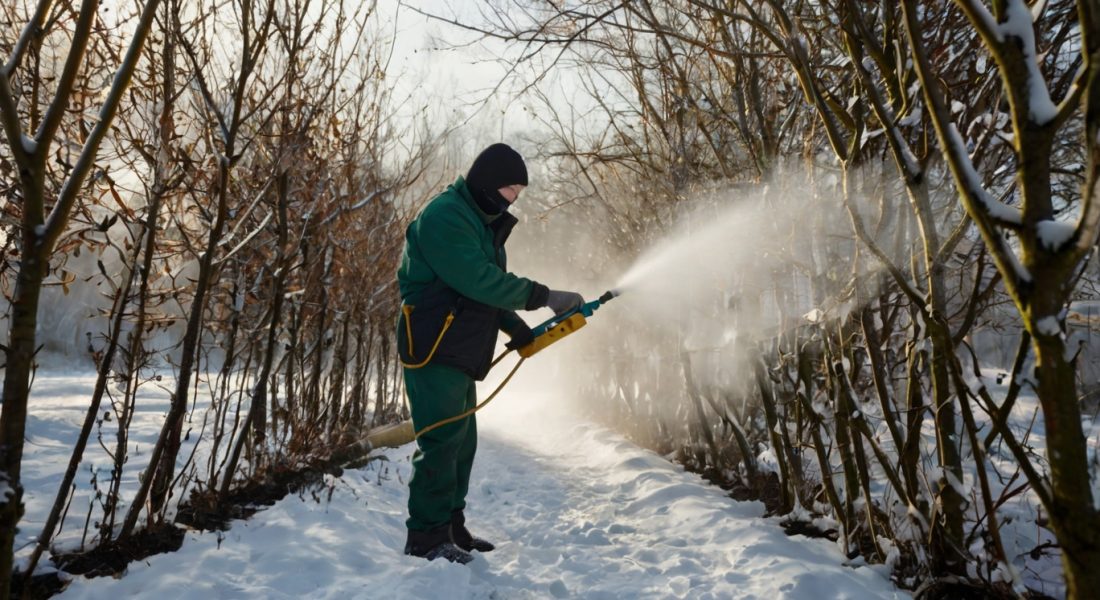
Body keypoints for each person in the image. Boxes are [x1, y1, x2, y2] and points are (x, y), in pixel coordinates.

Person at [395, 143, 584, 564]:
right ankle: (425, 538)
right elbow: (478, 280)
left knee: (462, 442)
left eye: (519, 190)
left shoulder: (480, 222)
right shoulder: (446, 216)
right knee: (441, 440)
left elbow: (486, 292)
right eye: (510, 188)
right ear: (486, 183)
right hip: (433, 345)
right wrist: (544, 296)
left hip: (459, 346)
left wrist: (517, 329)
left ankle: (450, 526)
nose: (513, 197)